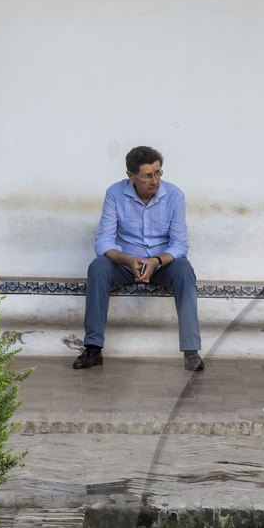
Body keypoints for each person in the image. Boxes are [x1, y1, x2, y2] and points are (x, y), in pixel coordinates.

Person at [74, 145, 203, 372]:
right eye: (147, 176)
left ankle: (191, 351)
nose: (155, 180)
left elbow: (180, 244)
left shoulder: (174, 195)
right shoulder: (115, 194)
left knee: (184, 269)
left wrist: (156, 261)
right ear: (131, 176)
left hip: (162, 265)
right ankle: (93, 349)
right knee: (98, 267)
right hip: (125, 264)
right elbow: (103, 242)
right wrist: (128, 260)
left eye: (158, 173)